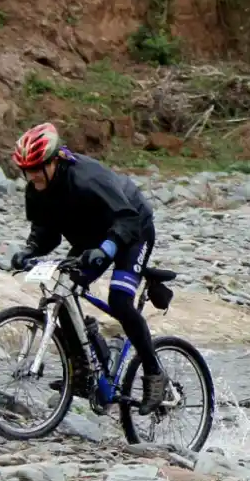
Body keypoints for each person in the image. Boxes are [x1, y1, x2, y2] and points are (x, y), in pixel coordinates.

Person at [10, 122, 166, 415]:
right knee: (63, 290)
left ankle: (154, 373)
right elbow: (46, 232)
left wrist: (107, 249)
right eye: (26, 170)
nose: (31, 176)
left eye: (36, 168)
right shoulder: (37, 188)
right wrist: (29, 250)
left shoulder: (88, 178)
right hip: (92, 237)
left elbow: (129, 219)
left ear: (54, 160)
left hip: (133, 229)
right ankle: (86, 365)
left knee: (119, 300)